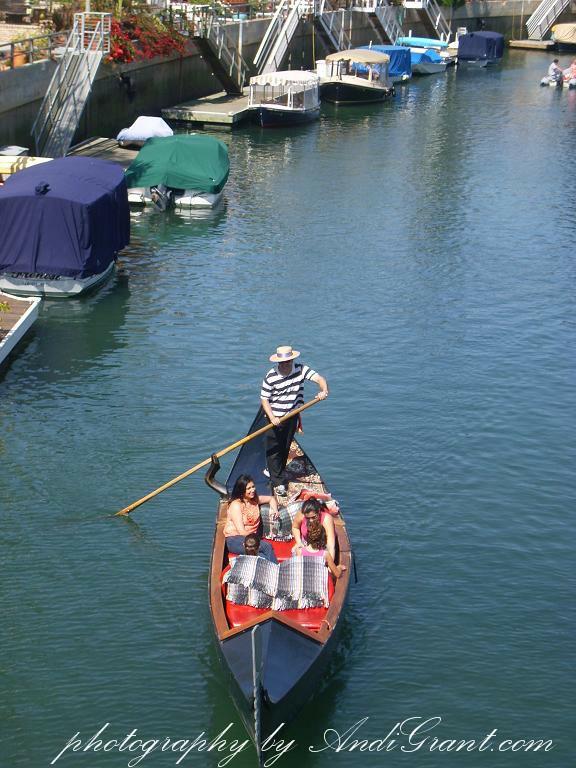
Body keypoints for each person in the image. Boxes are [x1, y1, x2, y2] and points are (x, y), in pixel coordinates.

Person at [260, 345, 328, 497]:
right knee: (274, 450)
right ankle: (277, 482)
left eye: (288, 361)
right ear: (277, 362)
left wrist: (323, 390)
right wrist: (272, 417)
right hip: (274, 417)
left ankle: (276, 470)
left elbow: (319, 379)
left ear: (292, 360)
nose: (285, 364)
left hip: (292, 415)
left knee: (285, 446)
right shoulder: (271, 376)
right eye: (282, 362)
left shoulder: (301, 369)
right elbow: (264, 400)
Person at [224, 474, 278, 563]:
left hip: (251, 539)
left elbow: (271, 499)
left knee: (262, 556)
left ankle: (273, 572)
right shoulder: (236, 505)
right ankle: (277, 571)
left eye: (253, 487)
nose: (252, 490)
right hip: (235, 539)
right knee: (267, 546)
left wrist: (275, 510)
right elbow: (242, 532)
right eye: (248, 488)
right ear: (241, 490)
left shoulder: (255, 500)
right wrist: (257, 539)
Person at [296, 515, 346, 579]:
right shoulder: (325, 554)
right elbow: (337, 574)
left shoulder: (299, 551)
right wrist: (339, 567)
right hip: (319, 583)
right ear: (323, 538)